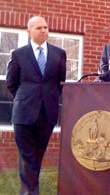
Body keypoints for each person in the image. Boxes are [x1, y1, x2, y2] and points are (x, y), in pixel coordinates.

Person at [6, 16, 67, 195]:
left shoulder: (59, 54)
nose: (43, 31)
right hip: (23, 114)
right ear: (29, 31)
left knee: (37, 156)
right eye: (39, 28)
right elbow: (11, 83)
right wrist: (26, 99)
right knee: (27, 157)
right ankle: (30, 192)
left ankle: (30, 190)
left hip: (47, 113)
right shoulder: (18, 55)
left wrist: (48, 98)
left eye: (46, 27)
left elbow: (59, 82)